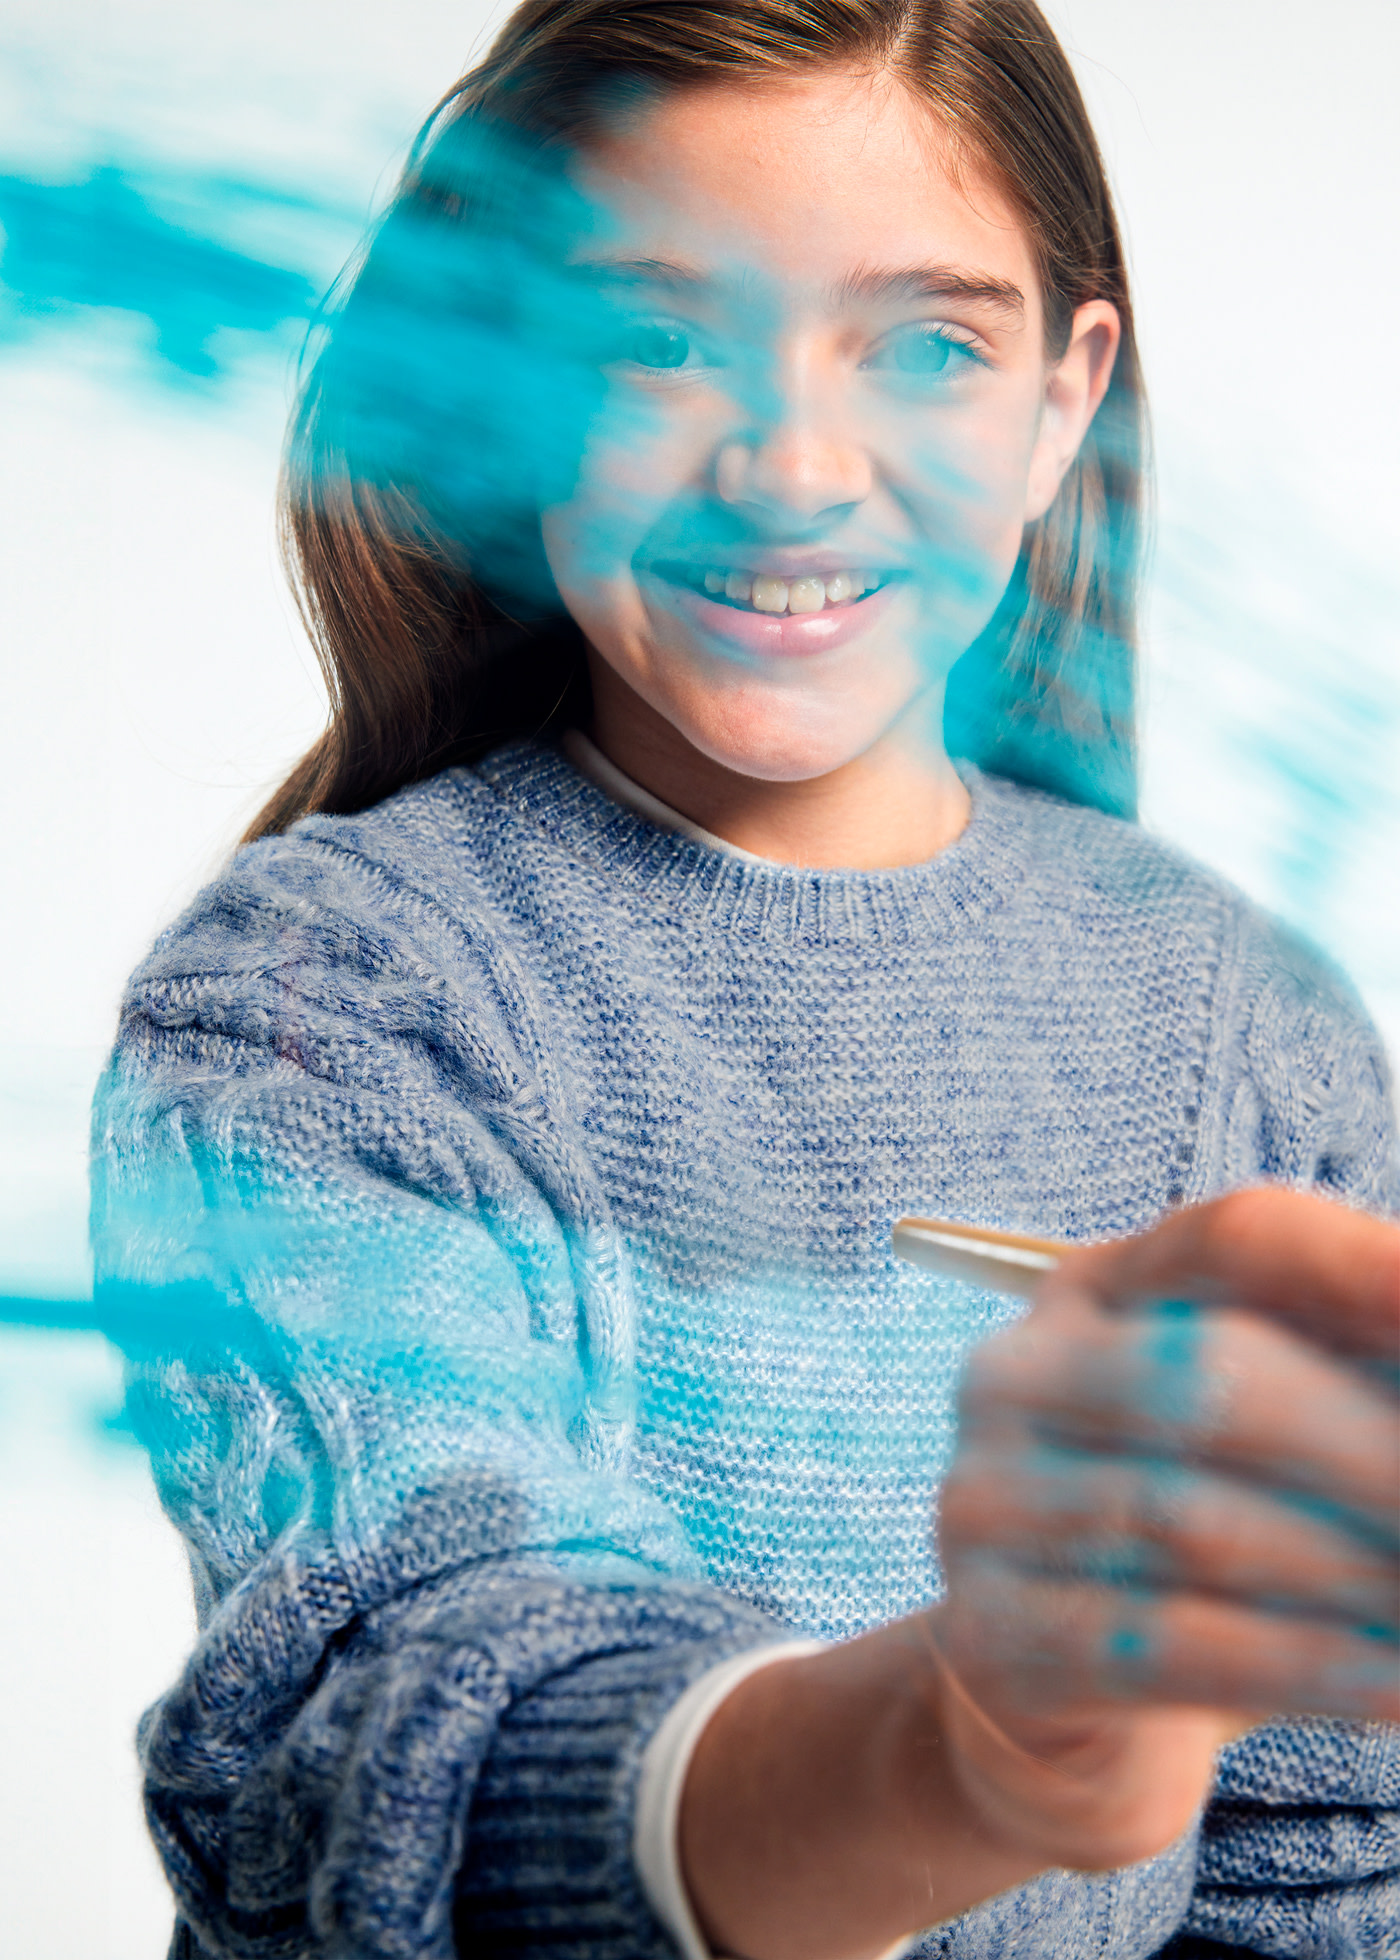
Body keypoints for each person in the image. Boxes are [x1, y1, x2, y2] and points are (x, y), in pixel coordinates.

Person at [90, 3, 1399, 1957]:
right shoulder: (325, 996)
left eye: (929, 346)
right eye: (653, 338)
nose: (791, 467)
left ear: (1061, 398)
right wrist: (964, 1747)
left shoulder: (1245, 1023)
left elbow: (1330, 1869)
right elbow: (393, 1742)